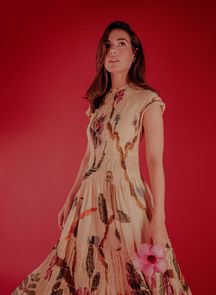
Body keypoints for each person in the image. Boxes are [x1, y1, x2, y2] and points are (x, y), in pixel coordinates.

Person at [12, 20, 193, 295]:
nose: (113, 51)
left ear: (134, 54)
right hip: (89, 199)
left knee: (131, 272)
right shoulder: (99, 102)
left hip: (125, 195)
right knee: (88, 268)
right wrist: (70, 197)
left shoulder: (147, 100)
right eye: (108, 45)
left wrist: (159, 218)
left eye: (121, 44)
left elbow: (155, 161)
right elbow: (89, 155)